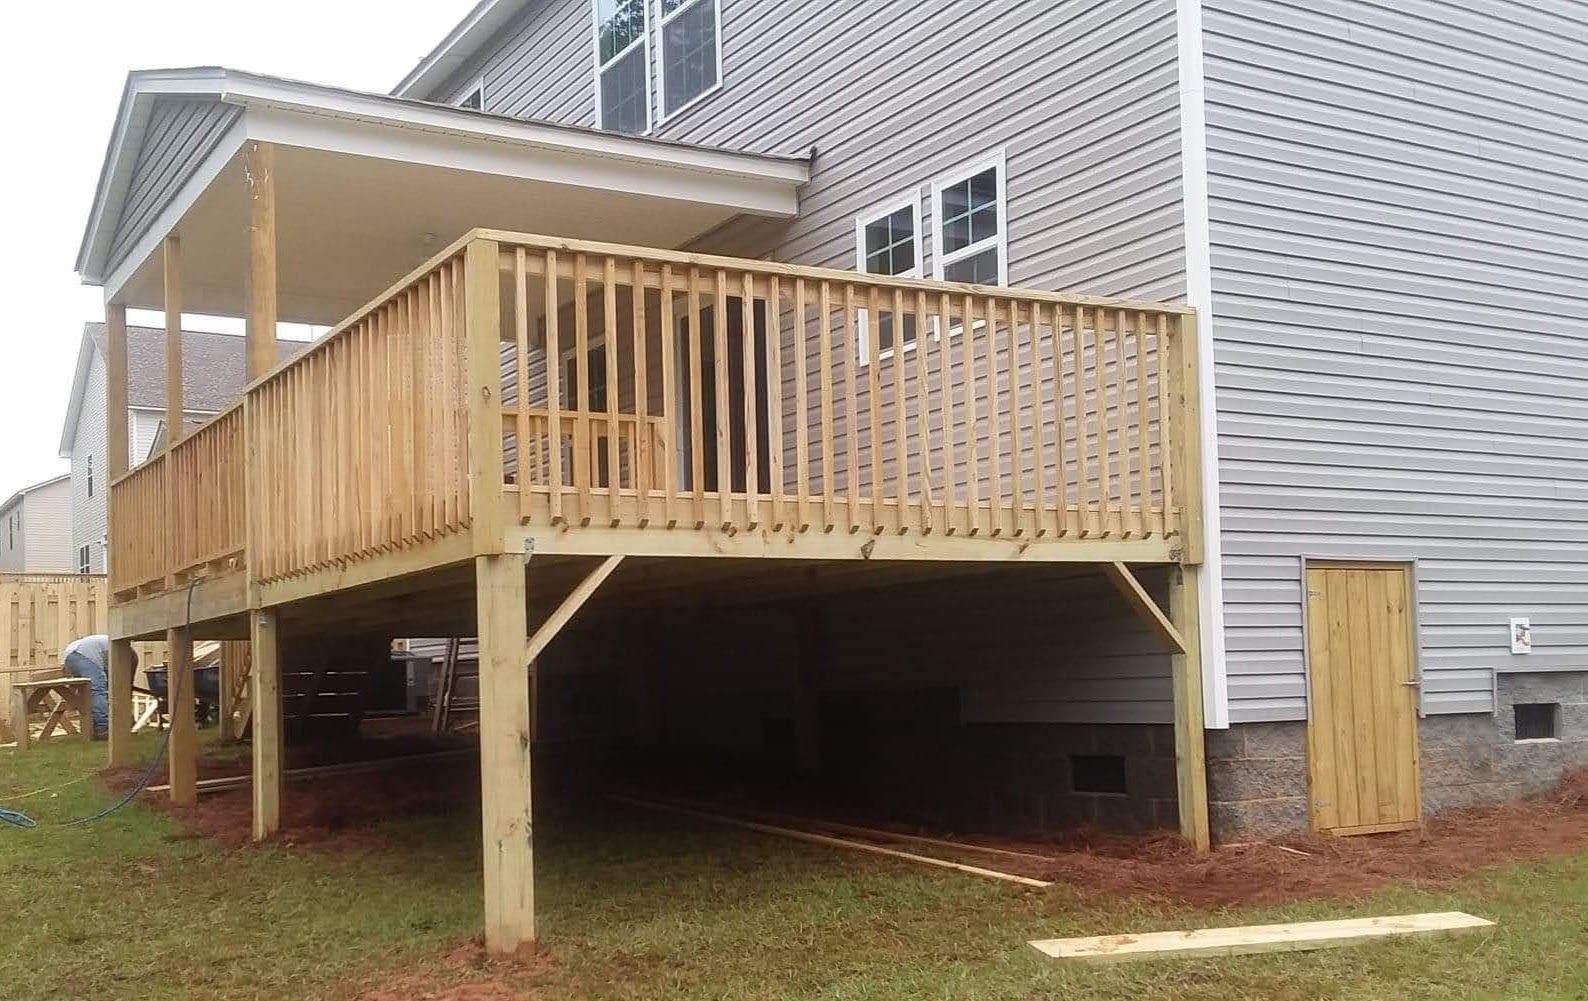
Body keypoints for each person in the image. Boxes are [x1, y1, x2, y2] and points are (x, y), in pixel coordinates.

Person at [62, 634, 135, 740]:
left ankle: (94, 727)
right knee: (98, 689)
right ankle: (103, 728)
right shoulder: (125, 652)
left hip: (71, 654)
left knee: (90, 691)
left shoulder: (114, 648)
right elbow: (124, 687)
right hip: (83, 654)